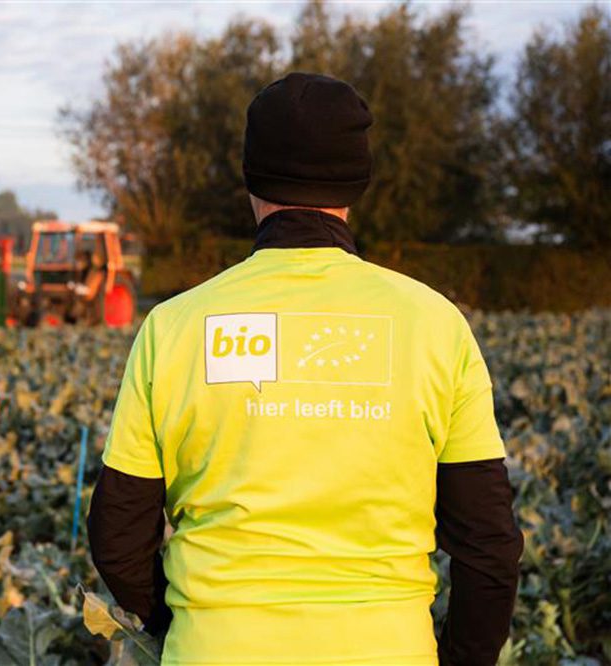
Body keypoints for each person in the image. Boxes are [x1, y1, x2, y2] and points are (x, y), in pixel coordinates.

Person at [87, 72, 523, 666]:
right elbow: (489, 547)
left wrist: (189, 623)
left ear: (250, 177)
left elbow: (118, 537)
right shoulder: (436, 324)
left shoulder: (174, 326)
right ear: (358, 181)